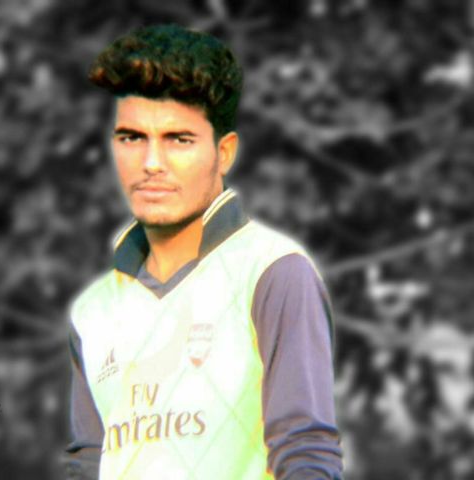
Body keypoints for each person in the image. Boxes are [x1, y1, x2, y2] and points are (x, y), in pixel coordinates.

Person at [65, 24, 344, 480]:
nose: (151, 163)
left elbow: (306, 453)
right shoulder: (92, 311)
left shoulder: (273, 272)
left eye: (179, 139)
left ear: (224, 152)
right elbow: (87, 465)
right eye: (132, 137)